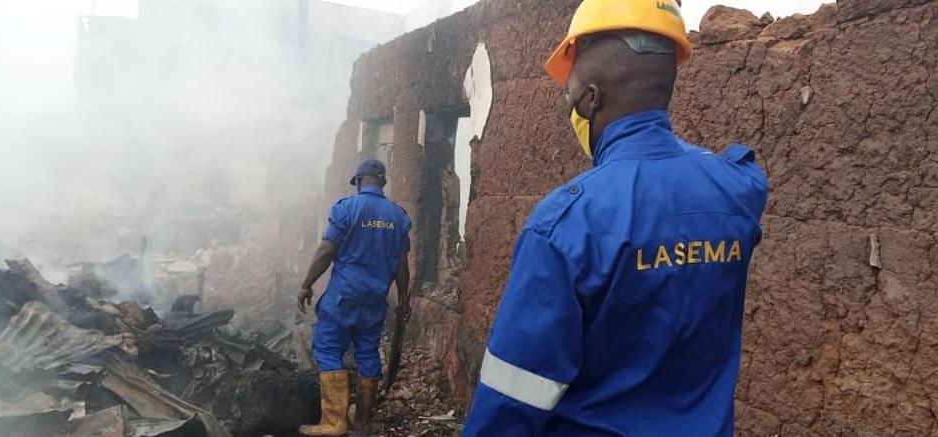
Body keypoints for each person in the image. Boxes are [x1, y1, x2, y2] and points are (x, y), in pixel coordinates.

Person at [463, 0, 769, 435]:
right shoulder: (737, 189)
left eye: (572, 97)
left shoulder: (563, 225)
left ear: (591, 98)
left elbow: (512, 400)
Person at [297, 159, 412, 436]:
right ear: (382, 182)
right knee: (367, 353)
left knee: (327, 349)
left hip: (343, 299)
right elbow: (402, 264)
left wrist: (307, 284)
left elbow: (326, 251)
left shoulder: (346, 209)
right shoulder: (398, 217)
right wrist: (404, 299)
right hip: (374, 302)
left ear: (359, 181)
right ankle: (361, 419)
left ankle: (334, 422)